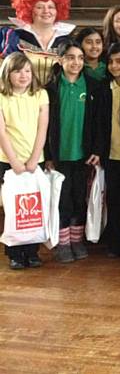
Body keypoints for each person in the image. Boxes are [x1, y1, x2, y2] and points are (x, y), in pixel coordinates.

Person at [45, 40, 101, 263]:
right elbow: (45, 126)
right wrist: (48, 155)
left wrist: (96, 149)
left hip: (83, 155)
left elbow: (99, 123)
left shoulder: (92, 87)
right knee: (62, 200)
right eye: (70, 57)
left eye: (80, 58)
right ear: (60, 60)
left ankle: (77, 239)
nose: (76, 62)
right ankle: (63, 242)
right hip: (59, 157)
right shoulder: (50, 89)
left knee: (80, 198)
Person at [0, 53, 49, 269]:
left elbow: (42, 128)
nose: (23, 75)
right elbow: (1, 132)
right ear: (7, 74)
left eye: (28, 71)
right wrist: (14, 161)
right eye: (18, 71)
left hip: (34, 161)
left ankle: (32, 250)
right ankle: (14, 252)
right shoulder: (2, 97)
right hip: (8, 160)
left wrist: (34, 158)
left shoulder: (40, 94)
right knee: (13, 207)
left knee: (33, 207)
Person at [95, 43, 120, 258]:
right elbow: (99, 123)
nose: (114, 66)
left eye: (119, 61)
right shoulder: (104, 88)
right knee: (113, 198)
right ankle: (114, 240)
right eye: (110, 62)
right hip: (110, 152)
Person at [0, 0, 74, 85]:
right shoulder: (15, 38)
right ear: (29, 9)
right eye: (39, 7)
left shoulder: (67, 40)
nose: (46, 11)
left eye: (51, 7)